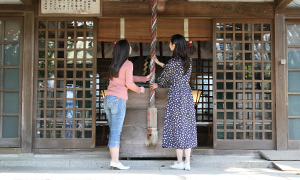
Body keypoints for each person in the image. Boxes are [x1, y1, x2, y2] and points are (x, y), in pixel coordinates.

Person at [150, 34, 197, 171]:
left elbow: (165, 78)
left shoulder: (172, 63)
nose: (169, 46)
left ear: (174, 45)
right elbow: (175, 70)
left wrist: (157, 85)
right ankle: (187, 163)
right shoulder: (189, 60)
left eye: (170, 44)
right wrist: (160, 63)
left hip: (176, 95)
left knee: (177, 127)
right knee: (186, 127)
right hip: (187, 95)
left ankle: (179, 162)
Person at [104, 39, 151, 170]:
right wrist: (140, 89)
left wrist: (143, 78)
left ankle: (114, 161)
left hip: (108, 99)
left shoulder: (114, 63)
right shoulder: (128, 63)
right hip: (118, 100)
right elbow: (129, 83)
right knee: (115, 131)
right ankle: (115, 161)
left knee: (113, 130)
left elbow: (126, 77)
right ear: (126, 49)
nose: (131, 48)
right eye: (129, 46)